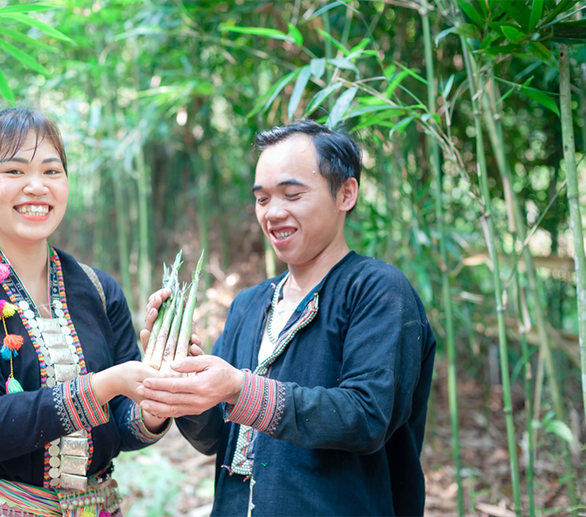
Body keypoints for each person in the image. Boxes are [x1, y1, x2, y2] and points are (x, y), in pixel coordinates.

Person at [136, 120, 437, 516]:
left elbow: (367, 417)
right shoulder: (249, 304)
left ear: (346, 193)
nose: (273, 213)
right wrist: (180, 382)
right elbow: (213, 437)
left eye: (292, 194)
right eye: (262, 200)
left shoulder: (378, 290)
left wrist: (241, 389)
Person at [0, 107, 169, 517]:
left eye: (51, 171)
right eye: (14, 172)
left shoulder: (98, 289)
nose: (36, 187)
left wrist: (154, 405)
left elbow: (119, 425)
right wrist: (104, 385)